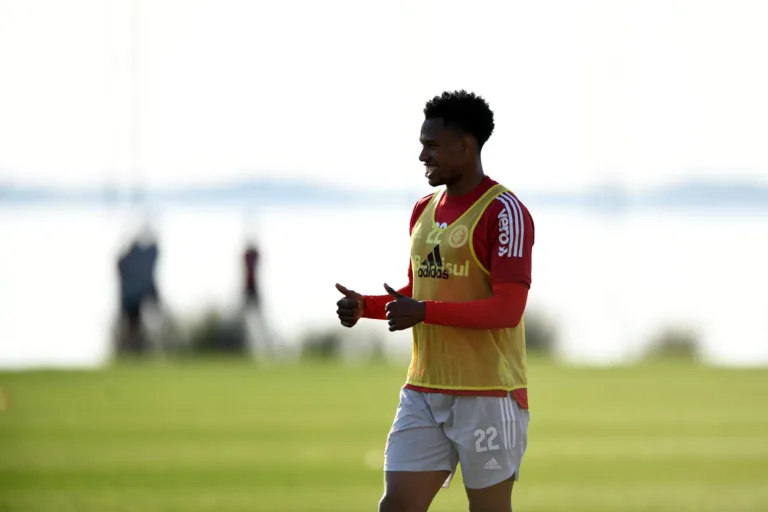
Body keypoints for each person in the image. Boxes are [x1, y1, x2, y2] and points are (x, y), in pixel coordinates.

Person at [335, 90, 534, 512]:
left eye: (431, 146)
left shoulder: (504, 212)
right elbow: (420, 291)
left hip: (488, 395)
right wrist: (366, 306)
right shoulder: (423, 210)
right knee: (396, 506)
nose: (422, 156)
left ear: (465, 146)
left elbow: (508, 309)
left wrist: (423, 312)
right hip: (423, 391)